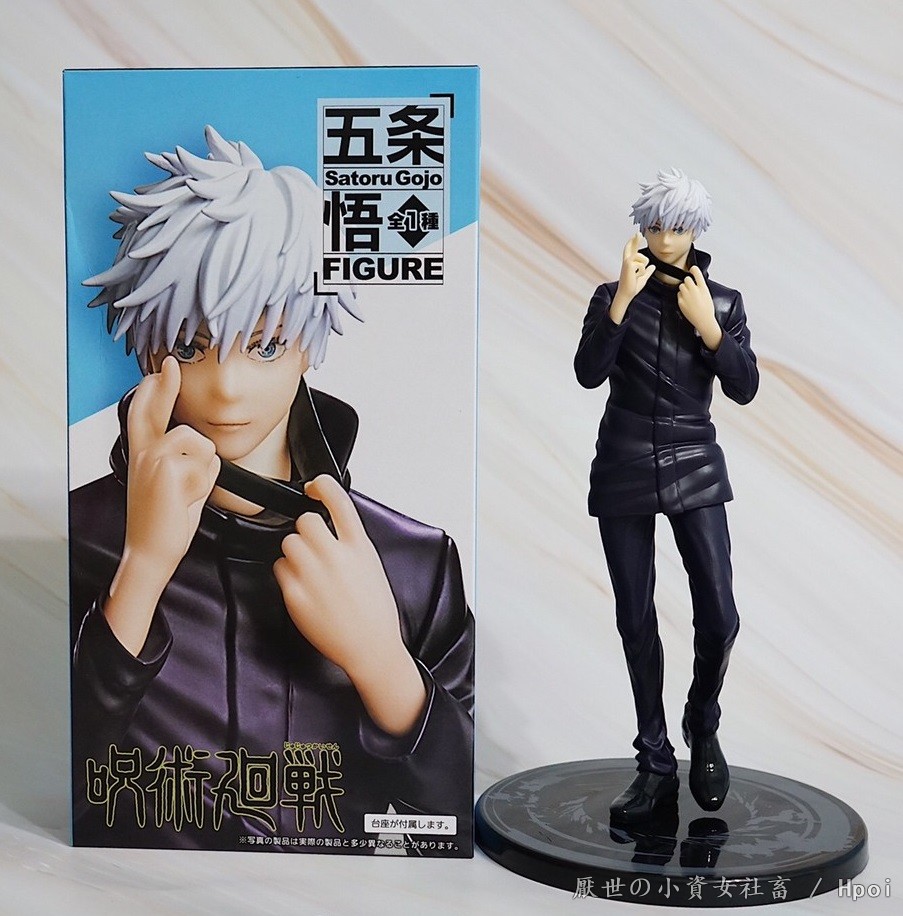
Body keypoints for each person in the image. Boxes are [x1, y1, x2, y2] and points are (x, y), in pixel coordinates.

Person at [70, 126, 474, 853]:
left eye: (265, 345)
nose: (226, 388)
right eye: (190, 346)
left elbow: (452, 825)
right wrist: (142, 570)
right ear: (147, 346)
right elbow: (61, 792)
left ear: (309, 343)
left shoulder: (414, 561)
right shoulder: (84, 535)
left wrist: (382, 663)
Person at [574, 168, 758, 821]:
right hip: (623, 460)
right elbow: (587, 372)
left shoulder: (723, 302)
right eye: (654, 226)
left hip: (694, 458)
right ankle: (653, 762)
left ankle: (701, 721)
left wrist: (710, 328)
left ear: (695, 229)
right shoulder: (612, 295)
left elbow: (744, 388)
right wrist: (622, 301)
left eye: (677, 227)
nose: (664, 238)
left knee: (720, 615)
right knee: (634, 616)